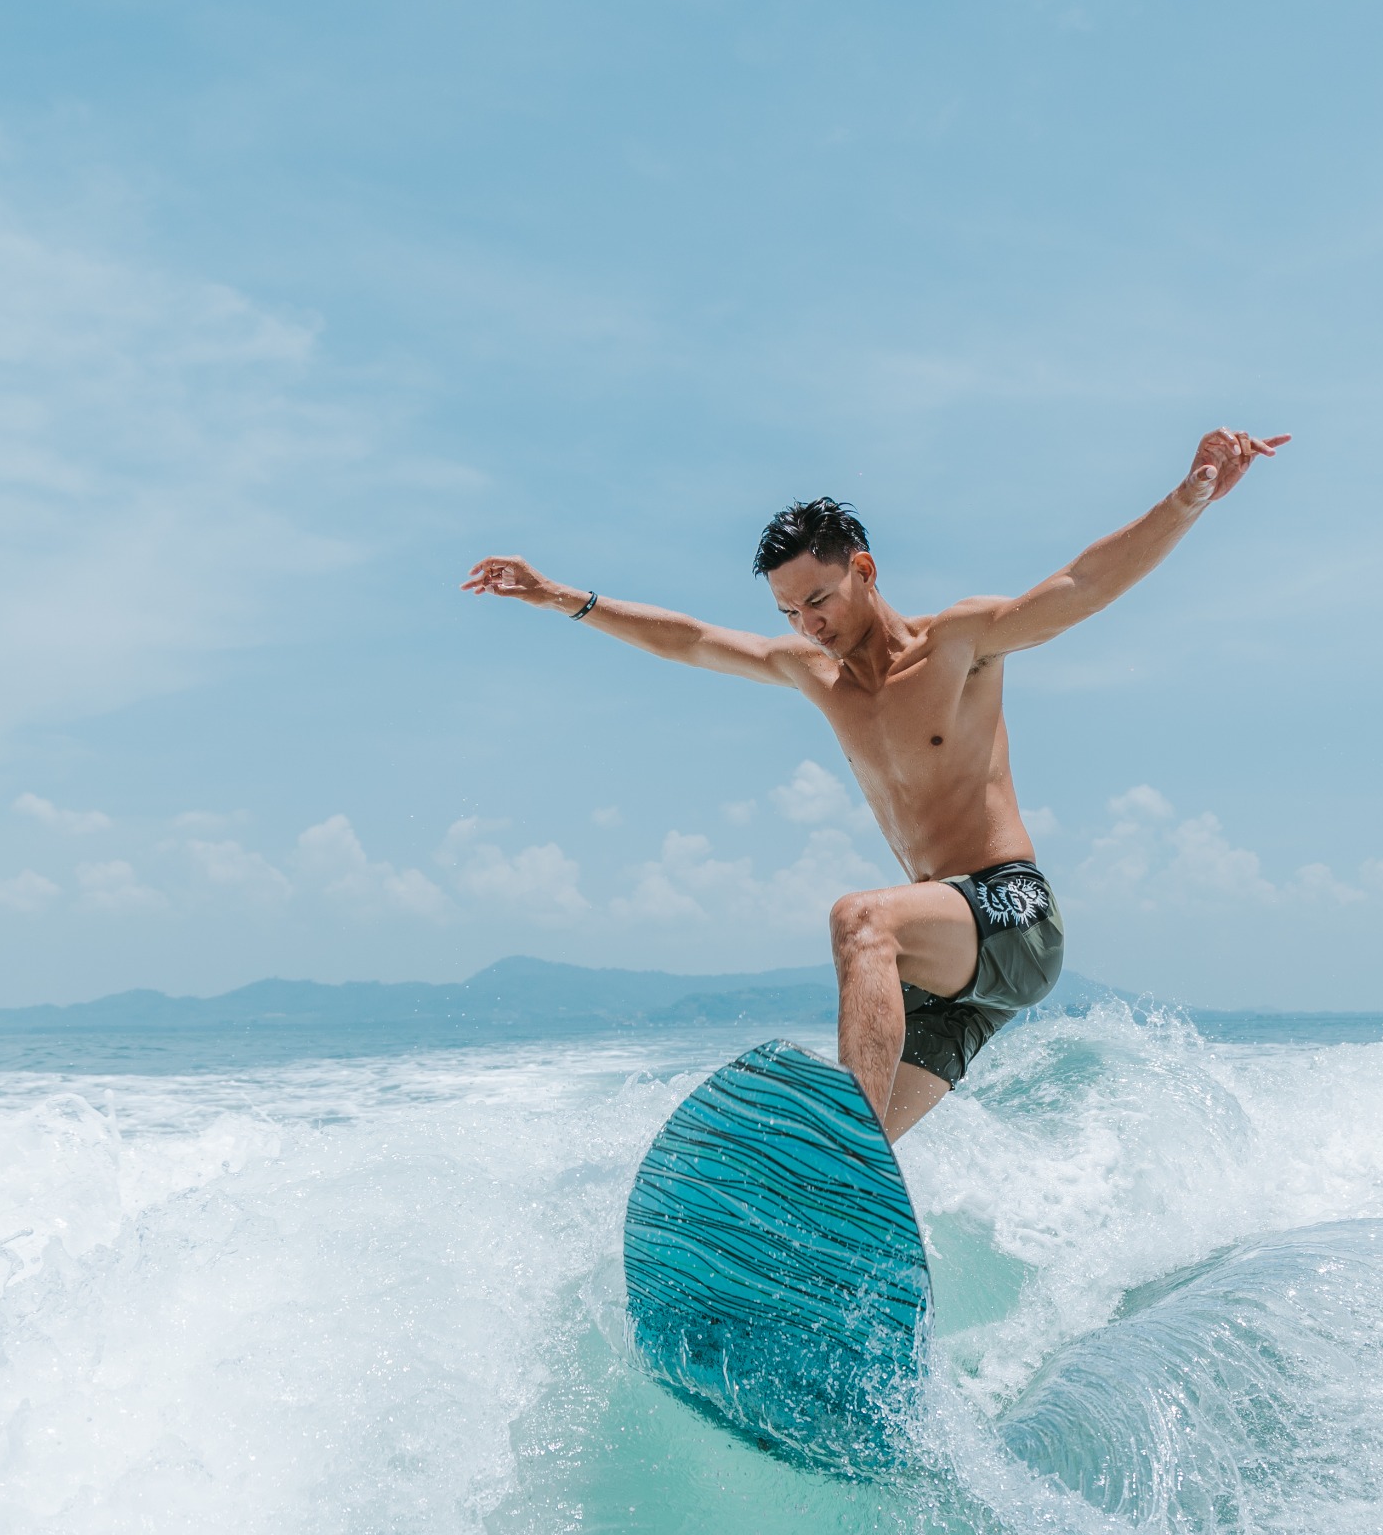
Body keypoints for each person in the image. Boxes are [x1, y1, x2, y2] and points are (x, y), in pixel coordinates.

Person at [463, 427, 1288, 1141]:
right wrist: (557, 596)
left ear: (864, 567)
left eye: (817, 599)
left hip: (1013, 916)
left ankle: (837, 1150)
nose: (807, 625)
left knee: (860, 921)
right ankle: (816, 1238)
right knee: (846, 1172)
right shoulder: (814, 675)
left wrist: (1188, 501)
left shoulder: (960, 644)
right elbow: (690, 641)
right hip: (945, 972)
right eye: (790, 612)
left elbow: (1080, 588)